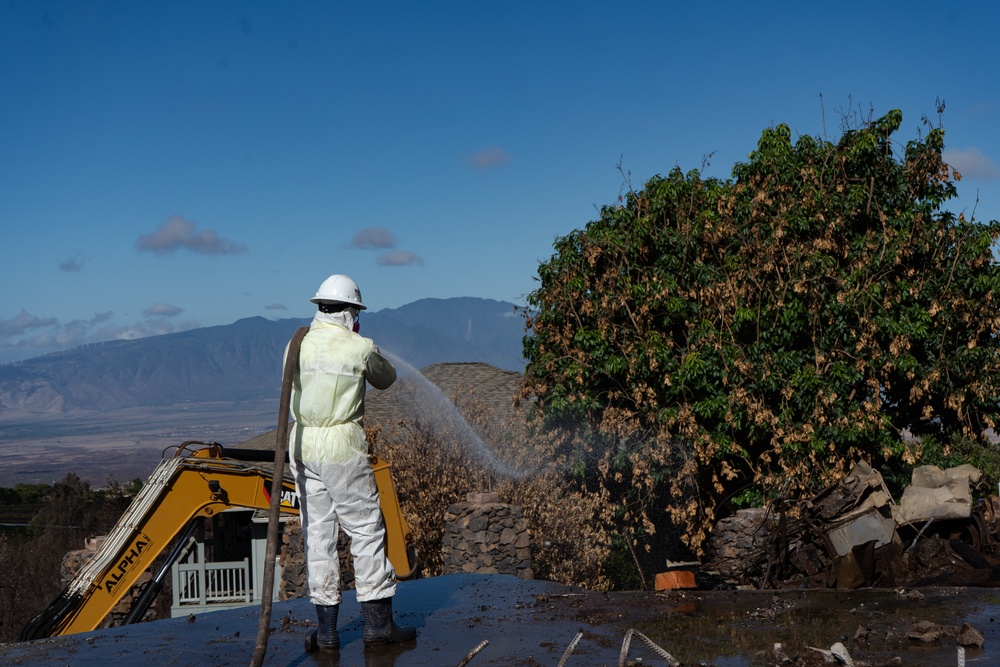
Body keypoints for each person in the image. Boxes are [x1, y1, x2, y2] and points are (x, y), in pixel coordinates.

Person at [286, 274, 416, 652]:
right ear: (349, 312)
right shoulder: (358, 346)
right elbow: (387, 379)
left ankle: (326, 633)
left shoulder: (296, 345)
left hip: (303, 442)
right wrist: (364, 345)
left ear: (320, 308)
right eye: (356, 312)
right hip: (342, 444)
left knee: (319, 535)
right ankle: (378, 626)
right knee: (365, 531)